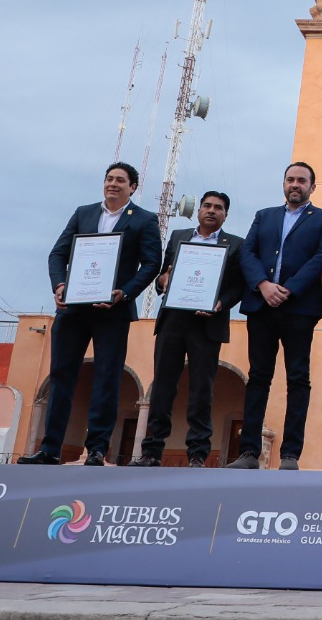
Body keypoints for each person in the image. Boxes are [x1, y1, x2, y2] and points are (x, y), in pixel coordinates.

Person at [20, 162, 162, 466]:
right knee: (61, 376)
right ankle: (50, 449)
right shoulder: (83, 213)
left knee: (107, 378)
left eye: (120, 181)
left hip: (113, 310)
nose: (113, 184)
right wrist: (59, 285)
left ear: (133, 187)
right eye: (109, 179)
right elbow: (58, 253)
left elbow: (152, 264)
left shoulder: (145, 220)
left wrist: (124, 292)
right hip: (72, 309)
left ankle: (96, 449)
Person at [228, 162, 322, 470]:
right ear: (283, 184)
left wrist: (288, 289)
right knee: (258, 377)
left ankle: (290, 454)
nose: (295, 184)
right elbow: (247, 253)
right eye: (290, 179)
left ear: (312, 187)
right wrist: (263, 285)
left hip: (298, 309)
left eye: (301, 181)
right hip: (261, 306)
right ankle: (249, 452)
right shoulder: (265, 216)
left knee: (298, 379)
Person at [131, 190, 245, 468]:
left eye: (218, 207)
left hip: (207, 322)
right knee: (162, 387)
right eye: (207, 205)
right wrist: (163, 280)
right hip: (173, 321)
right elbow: (162, 276)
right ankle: (151, 451)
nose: (211, 210)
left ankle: (197, 452)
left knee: (202, 389)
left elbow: (238, 286)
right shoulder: (178, 237)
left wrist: (221, 303)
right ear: (198, 210)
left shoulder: (236, 245)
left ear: (225, 215)